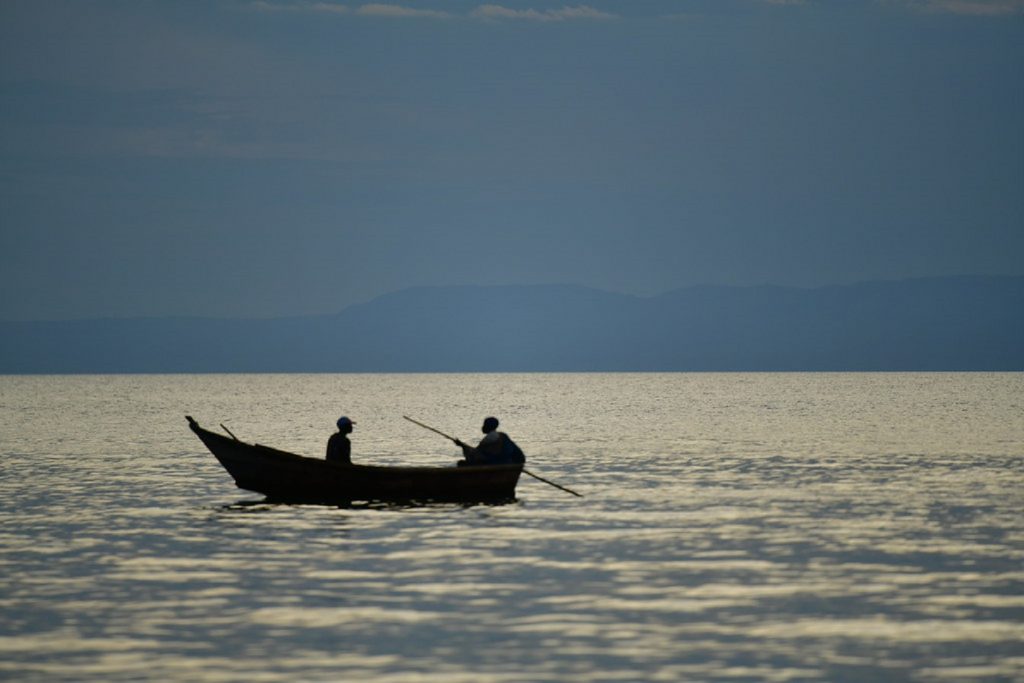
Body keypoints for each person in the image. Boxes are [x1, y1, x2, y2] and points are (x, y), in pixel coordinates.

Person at [455, 416, 525, 466]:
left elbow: (476, 454)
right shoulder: (503, 435)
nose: (483, 427)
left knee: (461, 463)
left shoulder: (489, 438)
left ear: (488, 426)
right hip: (508, 463)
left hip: (496, 464)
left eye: (485, 425)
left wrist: (462, 445)